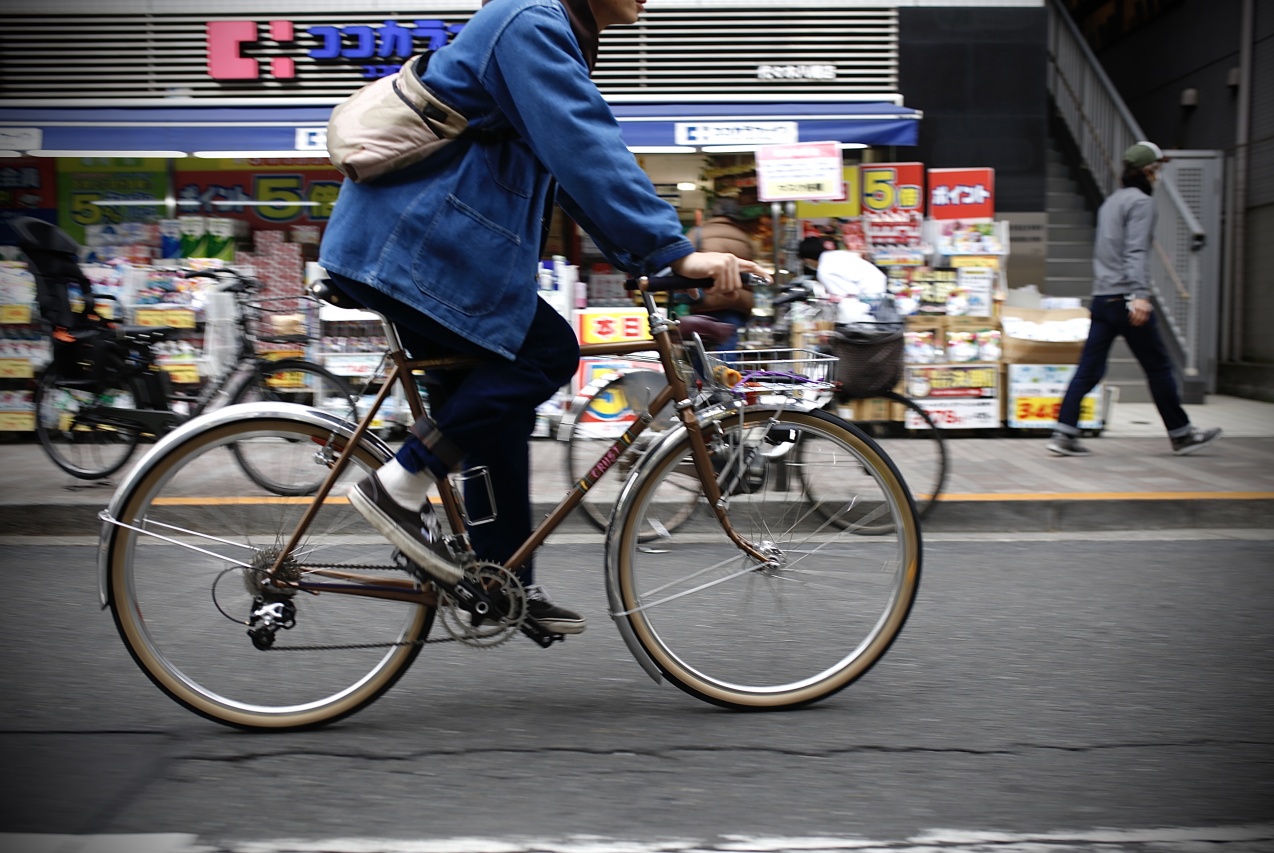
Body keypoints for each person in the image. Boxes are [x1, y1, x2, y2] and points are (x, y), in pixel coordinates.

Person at [318, 0, 771, 635]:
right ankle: (399, 482)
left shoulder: (551, 29)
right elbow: (585, 148)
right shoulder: (528, 20)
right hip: (418, 251)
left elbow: (568, 174)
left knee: (496, 411)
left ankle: (499, 585)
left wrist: (655, 260)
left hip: (430, 255)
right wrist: (671, 251)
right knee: (547, 352)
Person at [1047, 141, 1221, 457]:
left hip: (1103, 298)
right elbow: (1136, 251)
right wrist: (1140, 295)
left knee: (1089, 368)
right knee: (1158, 367)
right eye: (1156, 170)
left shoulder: (1110, 203)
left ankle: (1064, 432)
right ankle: (1181, 434)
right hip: (1127, 299)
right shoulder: (1141, 203)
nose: (1158, 176)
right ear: (1146, 171)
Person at [683, 196, 757, 349]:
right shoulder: (745, 237)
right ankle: (727, 372)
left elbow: (682, 260)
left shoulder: (698, 233)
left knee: (700, 349)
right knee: (726, 348)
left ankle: (701, 373)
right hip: (735, 302)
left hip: (704, 300)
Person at [796, 235, 888, 324]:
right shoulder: (836, 255)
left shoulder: (824, 270)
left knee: (850, 316)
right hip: (877, 290)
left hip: (868, 295)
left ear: (808, 259)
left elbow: (842, 294)